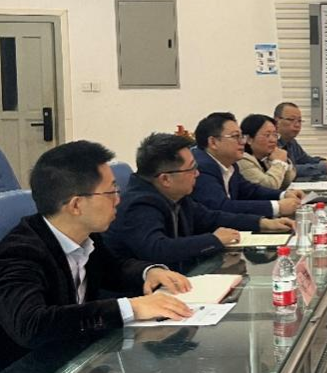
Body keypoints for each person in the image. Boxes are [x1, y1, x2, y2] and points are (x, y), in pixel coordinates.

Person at [0, 141, 193, 373]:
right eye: (111, 192)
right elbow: (32, 325)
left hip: (75, 359)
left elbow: (112, 270)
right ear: (76, 205)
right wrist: (131, 307)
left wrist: (149, 272)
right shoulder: (19, 254)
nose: (118, 200)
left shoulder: (82, 234)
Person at [106, 133, 297, 271]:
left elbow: (211, 217)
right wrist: (213, 240)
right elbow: (158, 249)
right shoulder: (139, 204)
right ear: (165, 179)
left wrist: (262, 223)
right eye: (191, 169)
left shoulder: (175, 195)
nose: (197, 174)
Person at [191, 112, 303, 217]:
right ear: (213, 142)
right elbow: (222, 207)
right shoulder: (202, 167)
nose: (242, 142)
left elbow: (249, 191)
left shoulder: (231, 165)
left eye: (241, 137)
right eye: (235, 136)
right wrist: (277, 207)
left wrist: (283, 195)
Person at [274, 102, 327, 180]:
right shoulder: (271, 142)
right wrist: (323, 168)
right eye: (291, 120)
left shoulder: (291, 141)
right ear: (277, 121)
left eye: (299, 121)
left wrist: (324, 162)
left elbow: (305, 160)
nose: (297, 125)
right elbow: (287, 169)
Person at [237, 114, 296, 191]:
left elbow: (285, 183)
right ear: (249, 139)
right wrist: (279, 162)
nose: (273, 140)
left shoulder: (265, 158)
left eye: (275, 135)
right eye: (267, 135)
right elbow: (269, 187)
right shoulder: (243, 160)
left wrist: (284, 161)